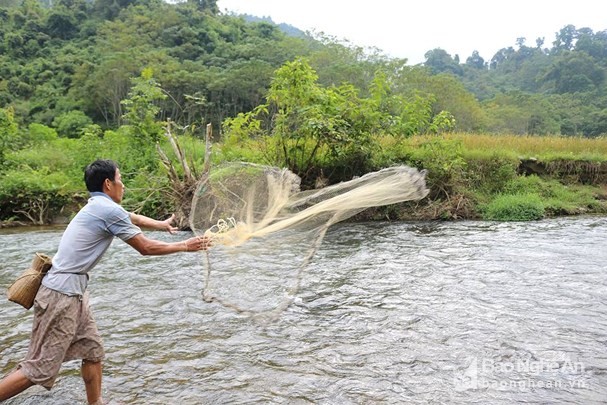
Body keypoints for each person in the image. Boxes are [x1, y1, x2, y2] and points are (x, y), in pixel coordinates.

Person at [0, 159, 210, 404]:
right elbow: (145, 247)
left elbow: (134, 218)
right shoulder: (108, 210)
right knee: (39, 369)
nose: (123, 185)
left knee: (92, 350)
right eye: (120, 180)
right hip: (61, 295)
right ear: (108, 183)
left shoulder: (99, 205)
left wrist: (162, 225)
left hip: (73, 294)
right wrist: (186, 245)